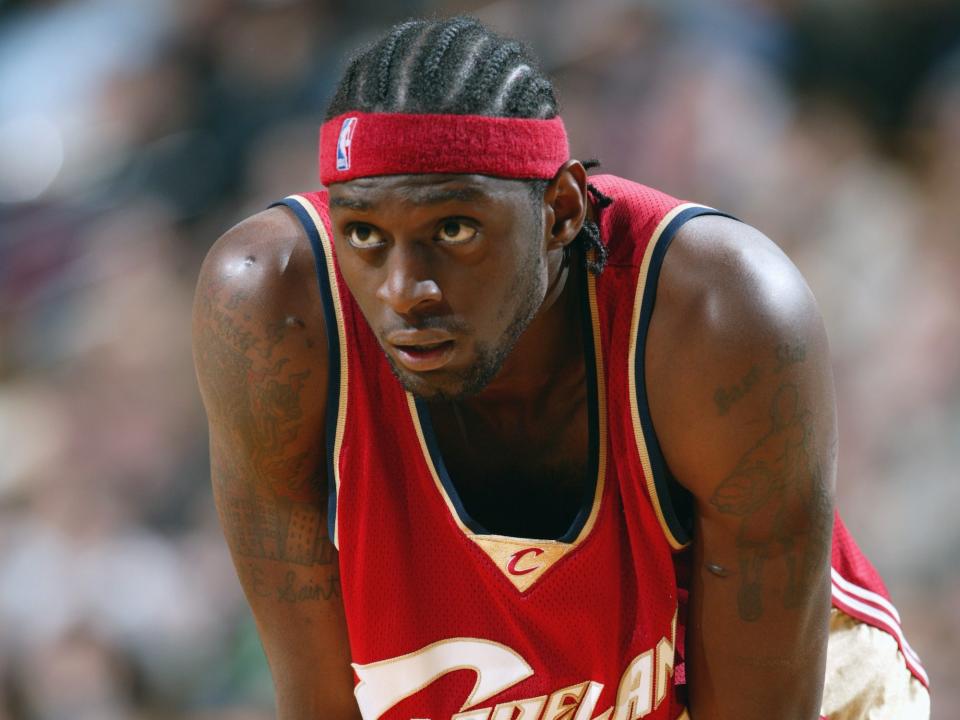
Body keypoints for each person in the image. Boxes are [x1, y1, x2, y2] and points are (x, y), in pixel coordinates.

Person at [192, 16, 930, 720]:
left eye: (453, 229)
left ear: (563, 208)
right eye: (363, 233)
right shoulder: (271, 312)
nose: (403, 290)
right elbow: (320, 702)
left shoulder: (718, 314)